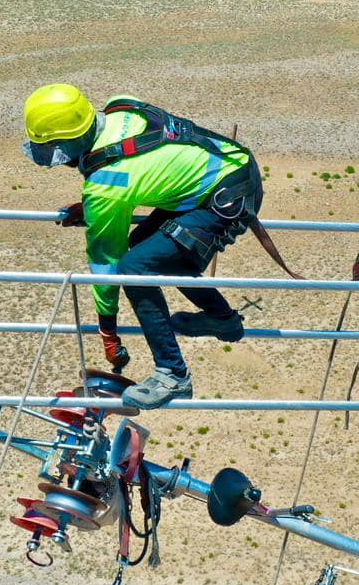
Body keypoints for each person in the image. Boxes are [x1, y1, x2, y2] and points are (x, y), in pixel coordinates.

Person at [22, 83, 272, 409]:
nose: (58, 160)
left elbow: (106, 262)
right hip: (229, 167)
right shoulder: (120, 107)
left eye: (56, 151)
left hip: (225, 197)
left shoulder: (107, 183)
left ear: (74, 140)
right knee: (145, 246)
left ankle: (172, 375)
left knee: (134, 267)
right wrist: (95, 206)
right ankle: (221, 319)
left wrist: (108, 332)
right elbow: (148, 166)